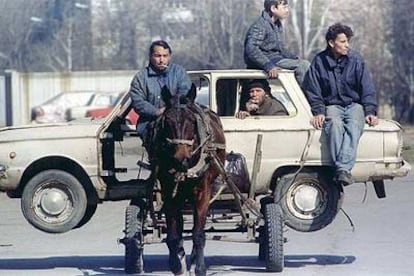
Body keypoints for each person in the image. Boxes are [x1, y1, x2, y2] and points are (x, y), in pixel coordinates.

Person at [303, 23, 378, 186]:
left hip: (354, 105)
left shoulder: (356, 59)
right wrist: (319, 111)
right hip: (332, 106)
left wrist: (370, 111)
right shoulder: (319, 62)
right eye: (343, 42)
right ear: (331, 43)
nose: (347, 45)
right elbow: (313, 90)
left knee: (354, 126)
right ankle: (343, 170)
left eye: (347, 41)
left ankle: (341, 169)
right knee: (334, 126)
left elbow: (367, 87)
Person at [129, 40, 192, 155]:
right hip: (151, 122)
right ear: (150, 56)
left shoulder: (179, 72)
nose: (161, 60)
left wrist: (171, 108)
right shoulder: (141, 77)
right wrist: (156, 112)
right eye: (157, 56)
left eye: (165, 56)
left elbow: (185, 91)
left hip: (177, 119)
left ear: (169, 56)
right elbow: (138, 101)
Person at [244, 0, 310, 85]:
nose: (287, 10)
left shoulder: (277, 25)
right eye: (284, 7)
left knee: (305, 64)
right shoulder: (260, 25)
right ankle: (305, 97)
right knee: (303, 66)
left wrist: (294, 58)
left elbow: (280, 48)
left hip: (276, 59)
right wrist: (268, 65)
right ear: (273, 8)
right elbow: (251, 48)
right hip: (268, 60)